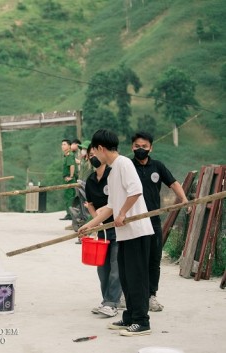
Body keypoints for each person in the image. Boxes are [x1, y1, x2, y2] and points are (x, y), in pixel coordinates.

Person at [79, 129, 154, 337]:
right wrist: (90, 225)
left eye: (94, 151)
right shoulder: (112, 171)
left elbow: (136, 190)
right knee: (126, 276)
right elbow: (110, 207)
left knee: (137, 277)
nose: (94, 156)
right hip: (125, 234)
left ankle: (142, 321)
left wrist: (123, 213)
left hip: (137, 231)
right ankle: (130, 316)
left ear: (101, 148)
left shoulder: (124, 164)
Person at [131, 131, 189, 312]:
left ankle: (151, 296)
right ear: (132, 147)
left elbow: (173, 183)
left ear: (151, 148)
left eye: (144, 147)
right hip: (132, 222)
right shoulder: (126, 166)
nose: (140, 150)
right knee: (133, 260)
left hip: (153, 221)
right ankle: (130, 295)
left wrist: (185, 200)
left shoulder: (157, 166)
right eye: (137, 146)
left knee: (153, 260)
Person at [84, 144, 122, 318]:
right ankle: (107, 300)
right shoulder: (90, 181)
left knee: (116, 267)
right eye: (90, 155)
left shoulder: (113, 175)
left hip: (118, 228)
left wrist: (96, 220)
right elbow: (91, 205)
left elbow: (115, 205)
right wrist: (94, 223)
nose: (93, 157)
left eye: (95, 154)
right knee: (102, 269)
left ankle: (111, 303)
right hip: (102, 231)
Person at [60, 139, 77, 221]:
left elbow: (72, 166)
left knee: (69, 197)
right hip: (66, 179)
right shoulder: (67, 155)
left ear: (69, 146)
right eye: (62, 144)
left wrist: (71, 176)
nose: (62, 146)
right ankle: (69, 213)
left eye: (64, 144)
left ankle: (70, 214)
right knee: (67, 196)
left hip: (69, 180)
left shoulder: (69, 155)